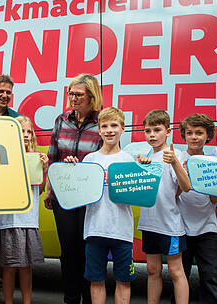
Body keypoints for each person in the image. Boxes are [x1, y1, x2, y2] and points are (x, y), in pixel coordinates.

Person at [44, 73, 103, 304]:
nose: (73, 98)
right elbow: (53, 156)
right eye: (70, 93)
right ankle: (70, 298)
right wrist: (50, 189)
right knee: (68, 249)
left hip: (90, 197)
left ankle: (89, 297)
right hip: (64, 193)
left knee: (87, 249)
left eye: (78, 94)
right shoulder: (62, 120)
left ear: (91, 96)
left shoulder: (102, 122)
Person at [66, 107, 136, 304]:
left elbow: (137, 195)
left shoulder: (128, 160)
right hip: (95, 230)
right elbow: (78, 193)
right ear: (99, 130)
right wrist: (72, 170)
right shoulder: (90, 159)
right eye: (104, 126)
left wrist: (144, 168)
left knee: (124, 280)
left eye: (114, 125)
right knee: (96, 280)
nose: (109, 130)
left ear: (123, 129)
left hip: (121, 231)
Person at [136, 109, 191, 304]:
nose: (151, 135)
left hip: (170, 224)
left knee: (176, 271)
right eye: (147, 131)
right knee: (152, 270)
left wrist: (175, 162)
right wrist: (139, 167)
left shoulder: (176, 154)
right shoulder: (146, 157)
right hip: (149, 223)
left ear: (168, 132)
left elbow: (186, 187)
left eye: (156, 130)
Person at [0, 115, 47, 304]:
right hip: (10, 220)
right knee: (9, 267)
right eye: (21, 131)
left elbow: (39, 190)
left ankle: (27, 301)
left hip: (29, 220)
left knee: (26, 267)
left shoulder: (36, 158)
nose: (26, 135)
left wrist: (44, 169)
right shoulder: (4, 156)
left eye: (28, 132)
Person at [176, 114, 217, 304]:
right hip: (180, 227)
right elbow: (170, 195)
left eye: (199, 133)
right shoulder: (176, 159)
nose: (194, 137)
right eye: (190, 133)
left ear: (208, 136)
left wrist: (207, 181)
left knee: (209, 275)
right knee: (180, 274)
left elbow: (215, 198)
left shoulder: (214, 162)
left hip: (207, 227)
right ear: (184, 136)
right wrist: (182, 173)